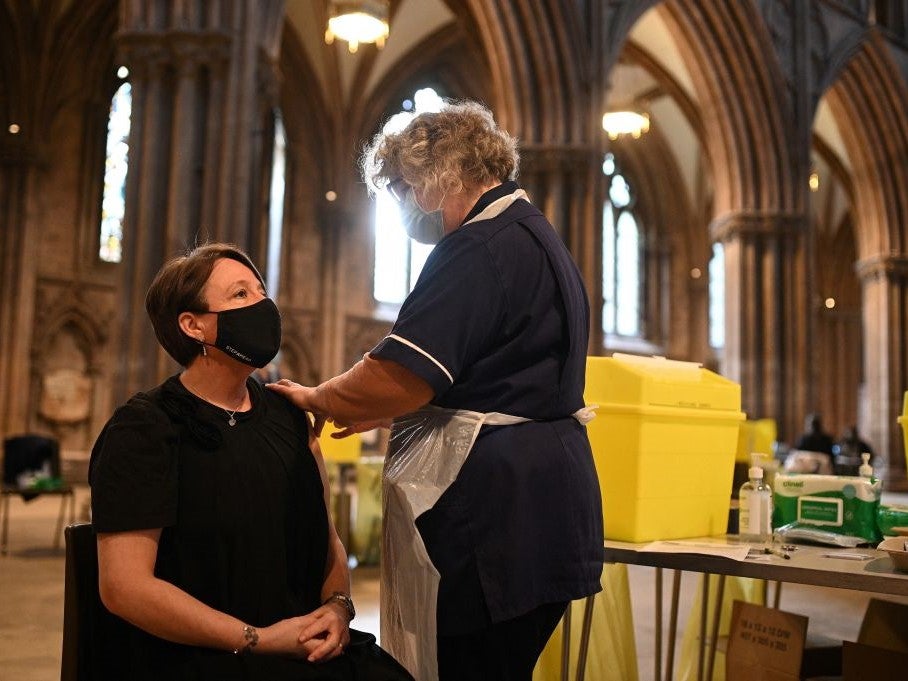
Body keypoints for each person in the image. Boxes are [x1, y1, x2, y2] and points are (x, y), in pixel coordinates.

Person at [269, 101, 604, 681]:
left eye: (399, 188)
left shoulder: (478, 247)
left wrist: (320, 397)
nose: (400, 205)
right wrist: (381, 409)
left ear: (438, 173)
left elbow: (401, 373)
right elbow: (486, 374)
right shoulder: (533, 232)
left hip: (497, 520)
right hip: (546, 505)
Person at [89, 243, 411, 681]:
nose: (261, 305)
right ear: (193, 326)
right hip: (202, 655)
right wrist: (256, 637)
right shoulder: (146, 429)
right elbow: (125, 587)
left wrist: (337, 607)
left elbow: (328, 540)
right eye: (240, 295)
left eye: (261, 292)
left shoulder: (290, 416)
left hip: (303, 649)